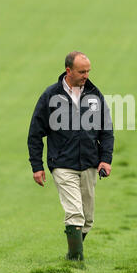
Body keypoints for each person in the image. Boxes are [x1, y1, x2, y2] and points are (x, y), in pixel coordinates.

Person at [27, 51, 114, 261]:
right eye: (81, 71)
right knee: (75, 213)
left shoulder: (94, 95)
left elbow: (106, 130)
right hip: (62, 164)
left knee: (88, 220)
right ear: (69, 71)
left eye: (88, 71)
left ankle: (71, 253)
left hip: (90, 164)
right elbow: (35, 133)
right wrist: (36, 166)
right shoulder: (50, 96)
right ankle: (76, 262)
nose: (86, 75)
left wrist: (105, 159)